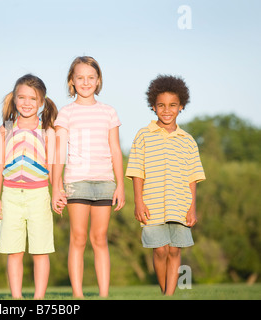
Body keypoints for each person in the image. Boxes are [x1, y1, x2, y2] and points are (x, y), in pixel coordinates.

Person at [125, 74, 206, 295]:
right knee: (160, 250)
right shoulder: (143, 135)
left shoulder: (188, 140)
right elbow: (136, 172)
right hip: (152, 204)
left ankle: (169, 295)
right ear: (153, 106)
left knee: (174, 251)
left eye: (172, 105)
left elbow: (193, 177)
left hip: (179, 205)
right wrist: (138, 202)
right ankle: (165, 291)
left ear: (181, 106)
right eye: (161, 105)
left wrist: (192, 208)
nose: (167, 110)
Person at [52, 56, 125, 298]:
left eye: (90, 78)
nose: (85, 82)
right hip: (76, 182)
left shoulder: (109, 112)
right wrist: (56, 187)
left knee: (99, 239)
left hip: (105, 182)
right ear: (72, 81)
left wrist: (120, 186)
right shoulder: (66, 113)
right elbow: (59, 152)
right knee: (78, 238)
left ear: (98, 80)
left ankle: (104, 295)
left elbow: (115, 149)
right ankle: (78, 295)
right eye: (80, 78)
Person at [0, 74, 61, 299]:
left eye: (33, 98)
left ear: (41, 101)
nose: (27, 103)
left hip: (39, 195)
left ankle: (38, 299)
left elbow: (53, 166)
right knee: (14, 251)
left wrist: (56, 192)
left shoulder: (47, 130)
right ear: (14, 100)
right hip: (10, 196)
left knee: (41, 251)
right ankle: (17, 298)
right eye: (22, 97)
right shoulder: (6, 129)